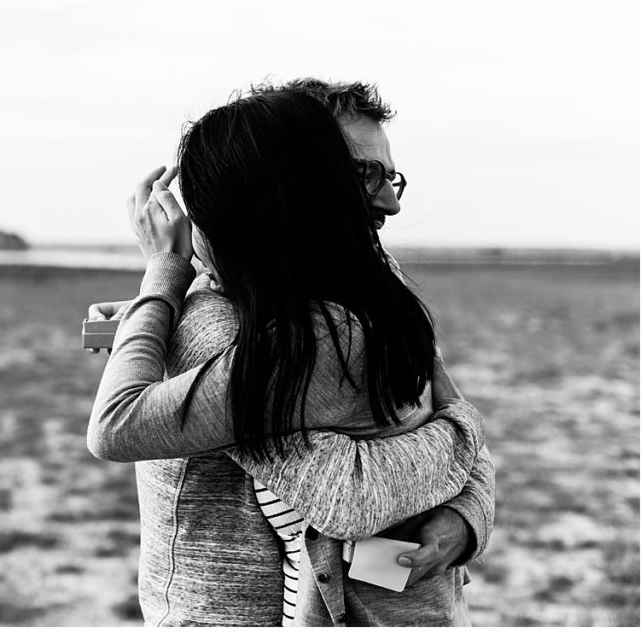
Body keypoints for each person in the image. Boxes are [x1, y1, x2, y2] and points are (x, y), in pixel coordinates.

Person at [86, 86, 492, 626]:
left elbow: (384, 501)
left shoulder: (372, 288)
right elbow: (351, 498)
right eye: (366, 175)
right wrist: (462, 425)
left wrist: (464, 520)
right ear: (297, 183)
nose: (391, 202)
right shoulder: (242, 334)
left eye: (390, 177)